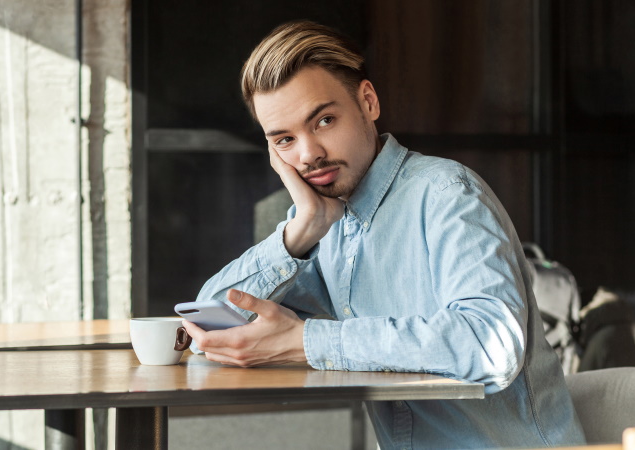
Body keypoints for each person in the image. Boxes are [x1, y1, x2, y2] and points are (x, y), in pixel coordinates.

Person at [181, 20, 586, 449]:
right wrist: (299, 231)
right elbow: (209, 320)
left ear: (368, 102)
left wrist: (307, 341)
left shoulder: (447, 194)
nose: (308, 154)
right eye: (284, 140)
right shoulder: (323, 225)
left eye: (323, 121)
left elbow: (489, 345)